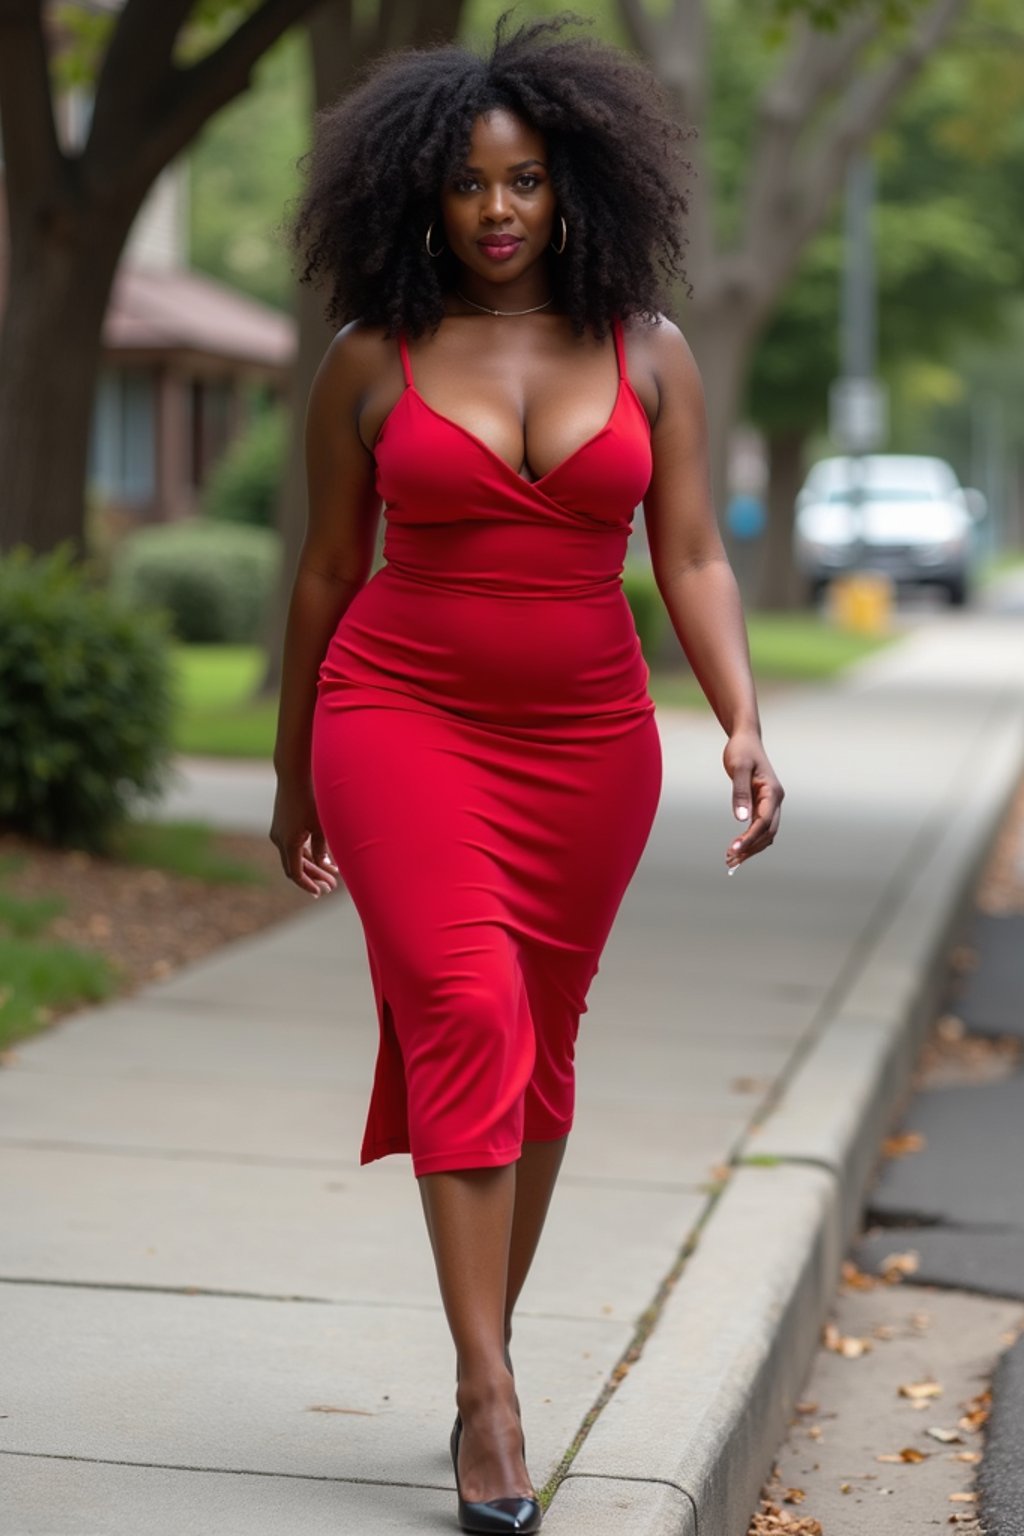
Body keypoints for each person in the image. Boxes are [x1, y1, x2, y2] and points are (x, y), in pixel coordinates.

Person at [270, 15, 784, 1534]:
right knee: (469, 1009)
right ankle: (491, 1397)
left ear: (576, 187)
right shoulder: (372, 360)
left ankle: (474, 1357)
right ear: (418, 200)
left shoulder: (651, 350)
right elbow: (321, 577)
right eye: (469, 187)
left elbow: (689, 552)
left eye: (527, 182)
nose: (499, 213)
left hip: (587, 747)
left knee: (538, 1047)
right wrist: (296, 773)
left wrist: (742, 717)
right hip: (398, 716)